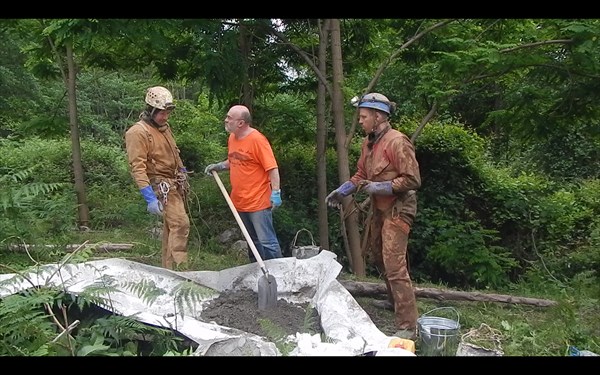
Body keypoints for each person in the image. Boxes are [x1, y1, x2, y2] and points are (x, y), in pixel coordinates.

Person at [325, 92, 421, 340]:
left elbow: (412, 180)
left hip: (399, 207)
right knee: (379, 256)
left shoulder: (397, 142)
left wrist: (379, 187)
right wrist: (341, 191)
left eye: (363, 117)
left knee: (394, 263)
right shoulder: (368, 143)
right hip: (380, 207)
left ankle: (408, 325)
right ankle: (393, 302)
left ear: (378, 117)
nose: (360, 121)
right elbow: (360, 175)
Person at [204, 104, 283, 262]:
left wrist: (276, 193)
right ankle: (258, 274)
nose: (225, 120)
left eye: (229, 118)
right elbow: (235, 158)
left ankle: (279, 275)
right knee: (252, 242)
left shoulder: (257, 140)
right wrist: (220, 166)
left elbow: (272, 168)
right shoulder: (233, 137)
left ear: (240, 123)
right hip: (240, 201)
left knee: (267, 242)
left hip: (258, 202)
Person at [125, 86, 190, 270]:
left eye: (167, 112)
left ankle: (168, 269)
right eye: (162, 112)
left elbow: (174, 153)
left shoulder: (163, 128)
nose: (165, 116)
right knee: (180, 224)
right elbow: (137, 167)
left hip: (174, 182)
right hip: (160, 185)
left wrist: (182, 170)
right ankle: (179, 269)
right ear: (150, 110)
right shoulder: (137, 133)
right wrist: (150, 197)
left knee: (171, 228)